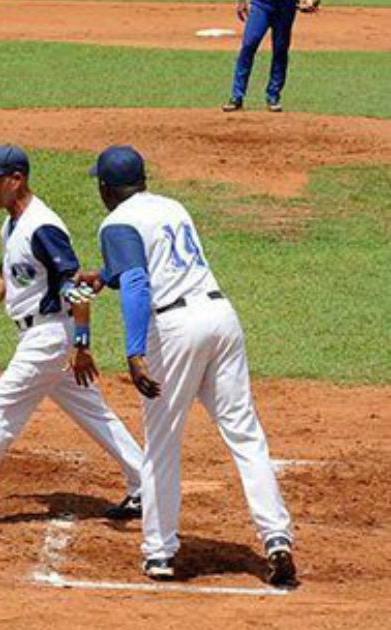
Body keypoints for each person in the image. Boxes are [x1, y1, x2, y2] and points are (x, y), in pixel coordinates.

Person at [86, 145, 296, 586]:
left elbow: (140, 281)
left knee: (162, 441)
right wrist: (105, 275)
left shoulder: (115, 221)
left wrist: (134, 351)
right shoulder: (171, 206)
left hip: (176, 330)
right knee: (245, 433)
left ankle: (159, 552)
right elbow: (156, 261)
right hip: (221, 317)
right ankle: (276, 536)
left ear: (106, 188)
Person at [0, 145, 145, 527]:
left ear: (16, 179)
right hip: (40, 335)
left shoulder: (44, 227)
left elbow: (76, 286)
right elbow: (6, 276)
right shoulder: (12, 224)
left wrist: (82, 344)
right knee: (95, 414)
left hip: (50, 335)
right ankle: (145, 484)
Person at [223, 0, 319, 113]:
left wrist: (310, 1)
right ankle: (237, 97)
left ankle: (273, 96)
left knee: (280, 50)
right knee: (248, 45)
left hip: (286, 7)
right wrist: (241, 2)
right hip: (261, 4)